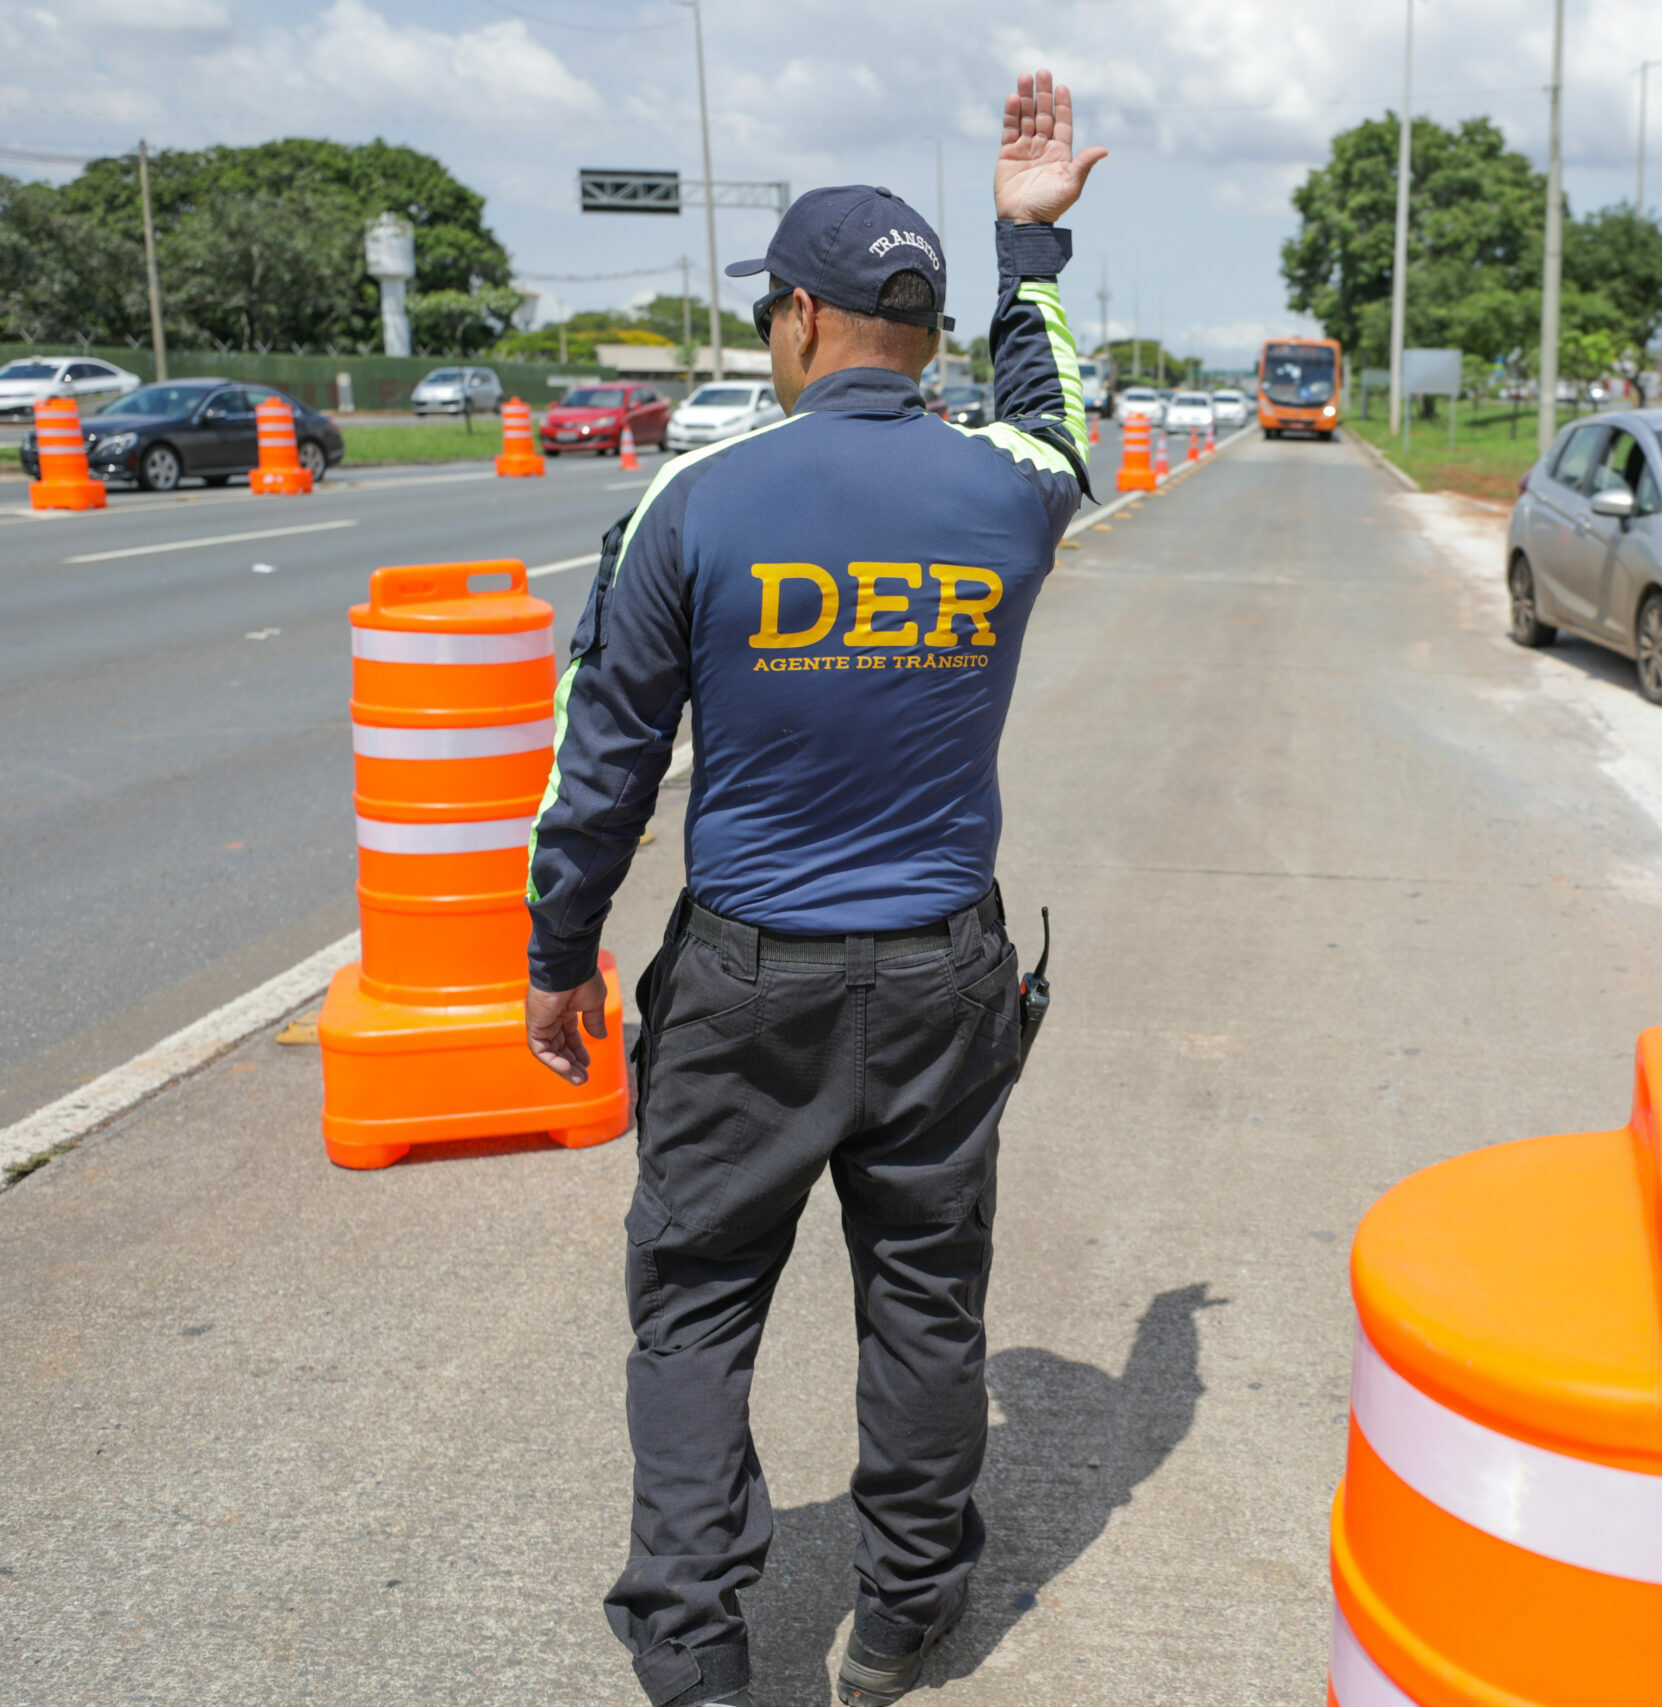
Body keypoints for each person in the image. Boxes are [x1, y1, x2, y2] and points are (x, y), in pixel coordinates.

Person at [521, 70, 1105, 1707]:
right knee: (925, 1296)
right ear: (918, 333)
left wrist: (559, 953)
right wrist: (1031, 245)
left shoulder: (693, 501)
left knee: (697, 1307)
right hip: (942, 978)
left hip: (746, 985)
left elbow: (604, 763)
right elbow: (1060, 413)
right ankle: (905, 1611)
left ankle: (699, 1657)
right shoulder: (1010, 488)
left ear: (796, 320)